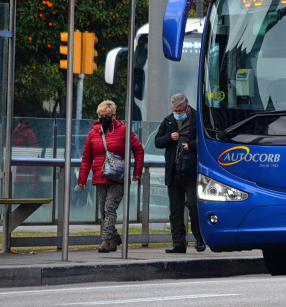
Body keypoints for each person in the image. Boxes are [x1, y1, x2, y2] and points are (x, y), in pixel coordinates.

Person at [77, 100, 144, 253]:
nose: (102, 119)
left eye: (106, 116)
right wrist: (82, 178)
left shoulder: (124, 130)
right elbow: (87, 157)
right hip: (100, 176)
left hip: (117, 177)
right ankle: (114, 238)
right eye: (100, 116)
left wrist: (137, 172)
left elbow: (139, 150)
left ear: (114, 116)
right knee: (103, 210)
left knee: (109, 208)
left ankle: (105, 240)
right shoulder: (94, 133)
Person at [155, 93, 204, 254]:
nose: (177, 113)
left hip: (191, 172)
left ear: (187, 107)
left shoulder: (197, 119)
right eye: (175, 110)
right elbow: (157, 141)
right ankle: (178, 243)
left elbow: (205, 140)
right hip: (173, 171)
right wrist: (169, 137)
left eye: (180, 110)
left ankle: (199, 239)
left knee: (193, 206)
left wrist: (191, 146)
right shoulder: (168, 121)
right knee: (175, 211)